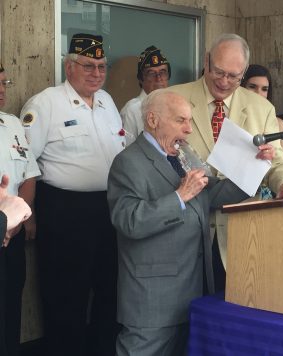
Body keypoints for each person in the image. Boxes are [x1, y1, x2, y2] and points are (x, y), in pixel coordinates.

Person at [108, 90, 248, 356]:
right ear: (152, 120)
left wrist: (254, 166)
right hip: (153, 299)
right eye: (181, 121)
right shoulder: (128, 162)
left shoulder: (185, 155)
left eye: (190, 122)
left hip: (194, 290)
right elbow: (128, 221)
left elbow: (213, 194)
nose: (188, 130)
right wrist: (179, 196)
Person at [167, 33, 283, 289]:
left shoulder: (260, 108)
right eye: (219, 72)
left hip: (239, 232)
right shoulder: (174, 98)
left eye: (234, 76)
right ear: (207, 62)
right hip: (185, 228)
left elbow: (276, 159)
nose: (224, 81)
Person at [20, 33, 125, 356]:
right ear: (69, 67)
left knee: (109, 293)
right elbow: (25, 163)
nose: (97, 73)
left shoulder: (107, 102)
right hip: (64, 213)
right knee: (66, 297)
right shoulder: (45, 103)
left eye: (102, 66)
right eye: (89, 66)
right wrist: (29, 215)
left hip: (107, 210)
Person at [0, 63, 40, 356]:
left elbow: (28, 174)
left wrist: (19, 219)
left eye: (4, 83)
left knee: (10, 304)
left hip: (11, 235)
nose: (2, 90)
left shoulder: (13, 124)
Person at [241, 64, 283, 160]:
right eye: (252, 87)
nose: (258, 93)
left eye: (264, 89)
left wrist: (272, 156)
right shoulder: (229, 114)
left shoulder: (279, 124)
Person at [121, 46, 170, 144]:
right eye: (151, 73)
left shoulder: (173, 105)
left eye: (163, 72)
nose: (158, 78)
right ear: (140, 79)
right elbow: (127, 151)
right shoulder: (132, 110)